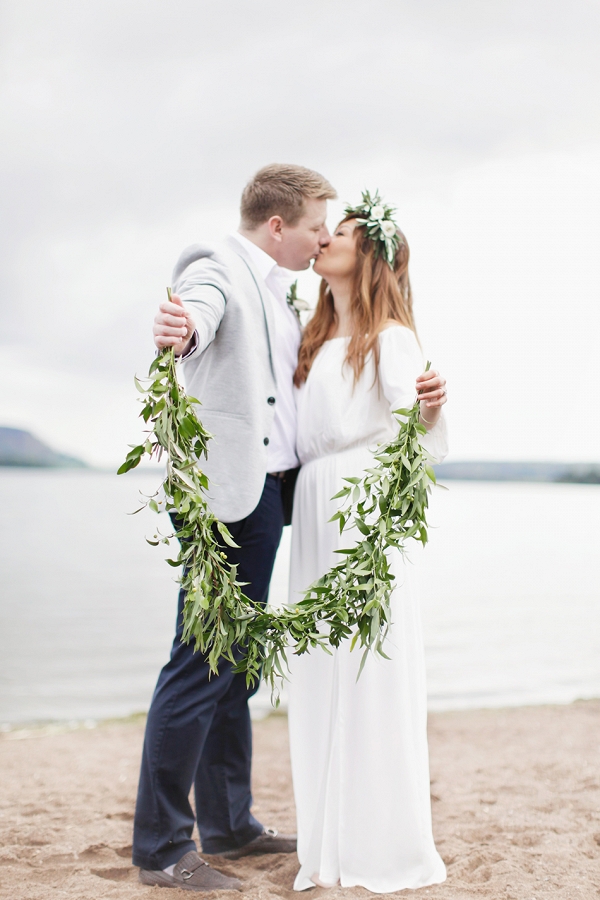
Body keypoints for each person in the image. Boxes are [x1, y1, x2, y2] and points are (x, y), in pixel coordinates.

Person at [133, 164, 337, 892]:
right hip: (231, 501)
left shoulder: (286, 294)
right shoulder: (218, 267)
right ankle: (161, 846)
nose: (323, 240)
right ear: (278, 225)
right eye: (316, 226)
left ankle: (228, 823)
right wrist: (183, 327)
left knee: (236, 667)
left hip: (271, 496)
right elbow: (200, 307)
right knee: (199, 662)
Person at [286, 195, 449, 893]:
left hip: (363, 516)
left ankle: (379, 845)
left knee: (367, 672)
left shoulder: (390, 338)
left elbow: (416, 437)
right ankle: (328, 838)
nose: (325, 238)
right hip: (314, 507)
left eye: (343, 233)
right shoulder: (309, 335)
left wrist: (434, 408)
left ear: (372, 255)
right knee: (320, 672)